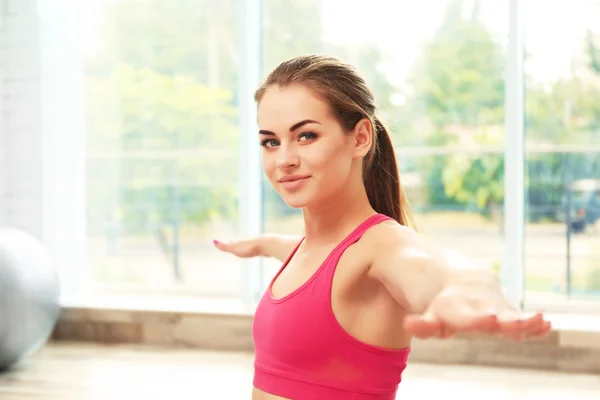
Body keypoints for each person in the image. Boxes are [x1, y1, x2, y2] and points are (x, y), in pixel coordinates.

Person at [214, 55, 551, 400]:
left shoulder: (380, 246)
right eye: (270, 141)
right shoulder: (313, 249)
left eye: (306, 136)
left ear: (360, 137)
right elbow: (316, 267)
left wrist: (469, 287)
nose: (284, 159)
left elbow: (431, 265)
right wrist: (263, 244)